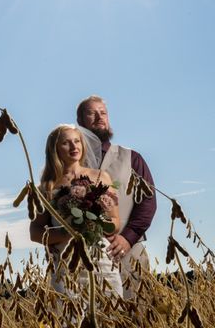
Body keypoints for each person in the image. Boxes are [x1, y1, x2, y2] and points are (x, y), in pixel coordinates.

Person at [76, 95, 156, 298]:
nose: (99, 117)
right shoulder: (71, 163)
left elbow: (147, 202)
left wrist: (128, 238)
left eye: (103, 112)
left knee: (138, 316)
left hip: (129, 255)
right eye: (91, 113)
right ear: (80, 122)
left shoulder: (132, 158)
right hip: (84, 259)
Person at [30, 124, 123, 297]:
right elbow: (35, 232)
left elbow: (115, 223)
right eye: (66, 143)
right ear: (55, 149)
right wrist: (69, 233)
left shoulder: (101, 177)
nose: (74, 147)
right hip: (66, 264)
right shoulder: (46, 187)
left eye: (77, 141)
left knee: (111, 316)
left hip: (101, 258)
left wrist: (94, 224)